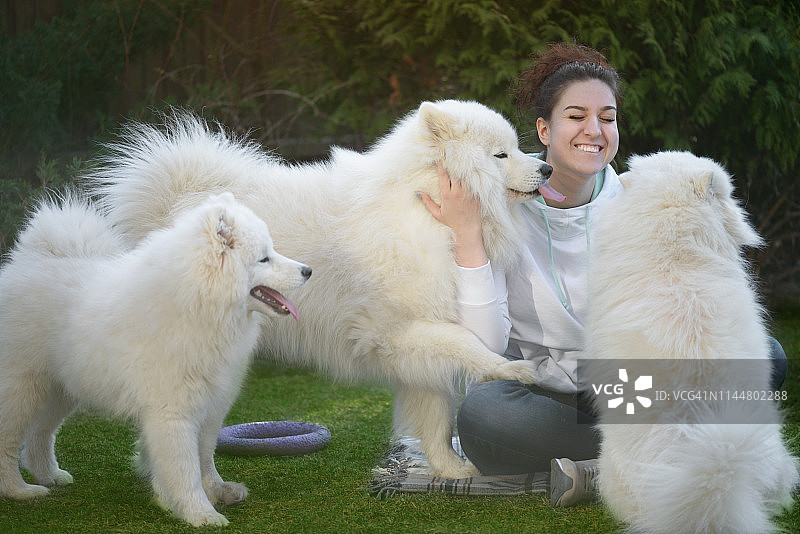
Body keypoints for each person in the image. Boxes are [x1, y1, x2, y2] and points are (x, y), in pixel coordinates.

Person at [417, 42, 788, 507]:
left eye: (607, 118)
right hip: (547, 398)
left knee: (766, 357)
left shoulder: (643, 198)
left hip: (637, 388)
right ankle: (663, 453)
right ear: (544, 129)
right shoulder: (495, 203)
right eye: (576, 115)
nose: (593, 130)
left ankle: (603, 467)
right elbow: (485, 347)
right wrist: (469, 236)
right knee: (485, 415)